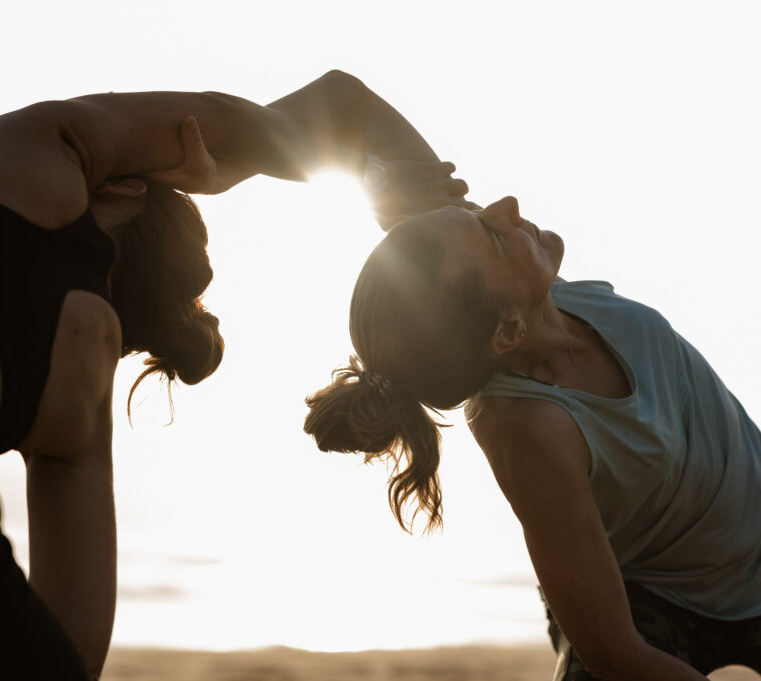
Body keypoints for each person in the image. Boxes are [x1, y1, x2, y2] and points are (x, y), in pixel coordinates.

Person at [0, 72, 468, 680]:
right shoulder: (81, 375)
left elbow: (328, 104)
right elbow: (73, 654)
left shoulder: (37, 162)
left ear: (120, 191)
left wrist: (394, 184)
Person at [303, 92, 761, 677]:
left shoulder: (513, 291)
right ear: (506, 330)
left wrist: (254, 145)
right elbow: (614, 650)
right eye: (492, 236)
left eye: (475, 218)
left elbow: (347, 102)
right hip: (651, 605)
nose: (505, 207)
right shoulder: (527, 427)